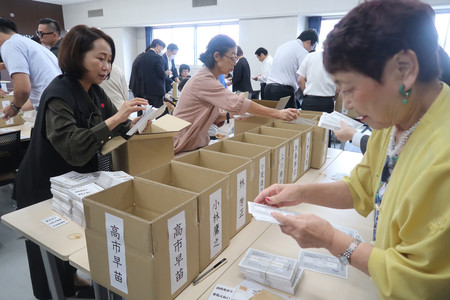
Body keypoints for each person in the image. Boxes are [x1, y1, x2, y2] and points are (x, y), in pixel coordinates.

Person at [255, 1, 450, 299]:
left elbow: (417, 280)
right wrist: (299, 191)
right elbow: (362, 187)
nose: (346, 104)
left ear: (405, 70)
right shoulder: (394, 123)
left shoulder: (442, 158)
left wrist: (331, 239)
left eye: (348, 87)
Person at [12, 25, 148, 300]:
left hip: (74, 180)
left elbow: (116, 127)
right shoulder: (59, 92)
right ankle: (53, 292)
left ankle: (71, 281)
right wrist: (116, 119)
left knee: (71, 242)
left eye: (109, 60)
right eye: (100, 58)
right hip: (43, 184)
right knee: (47, 252)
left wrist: (140, 122)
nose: (106, 66)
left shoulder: (95, 91)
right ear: (77, 56)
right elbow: (73, 146)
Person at [173, 34, 299, 154]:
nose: (234, 63)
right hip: (183, 145)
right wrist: (277, 113)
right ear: (217, 56)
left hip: (194, 143)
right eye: (232, 58)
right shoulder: (203, 79)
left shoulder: (211, 78)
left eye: (236, 58)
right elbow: (240, 103)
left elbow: (215, 118)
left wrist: (234, 115)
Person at [0, 18, 60, 119]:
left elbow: (23, 90)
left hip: (53, 108)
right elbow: (36, 98)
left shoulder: (9, 45)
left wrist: (14, 107)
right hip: (59, 104)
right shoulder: (32, 44)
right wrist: (8, 109)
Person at [264, 29, 318, 109]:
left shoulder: (284, 46)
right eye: (312, 46)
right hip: (282, 91)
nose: (310, 49)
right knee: (289, 119)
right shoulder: (302, 51)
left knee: (272, 118)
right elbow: (305, 77)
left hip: (268, 88)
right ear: (308, 42)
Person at [129, 39, 167, 108]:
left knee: (146, 111)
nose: (161, 51)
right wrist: (166, 73)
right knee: (158, 112)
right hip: (156, 90)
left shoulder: (141, 57)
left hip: (144, 90)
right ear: (157, 45)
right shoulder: (157, 57)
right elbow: (162, 75)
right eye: (161, 48)